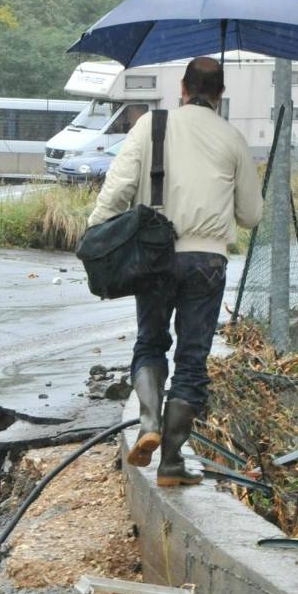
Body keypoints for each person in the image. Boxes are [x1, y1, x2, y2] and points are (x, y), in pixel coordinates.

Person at [86, 57, 263, 486]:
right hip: (207, 262)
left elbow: (120, 185)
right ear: (220, 95)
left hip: (155, 257)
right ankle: (170, 463)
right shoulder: (233, 138)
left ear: (182, 88)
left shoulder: (152, 125)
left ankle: (148, 423)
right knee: (192, 359)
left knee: (150, 342)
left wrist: (95, 230)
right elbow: (251, 215)